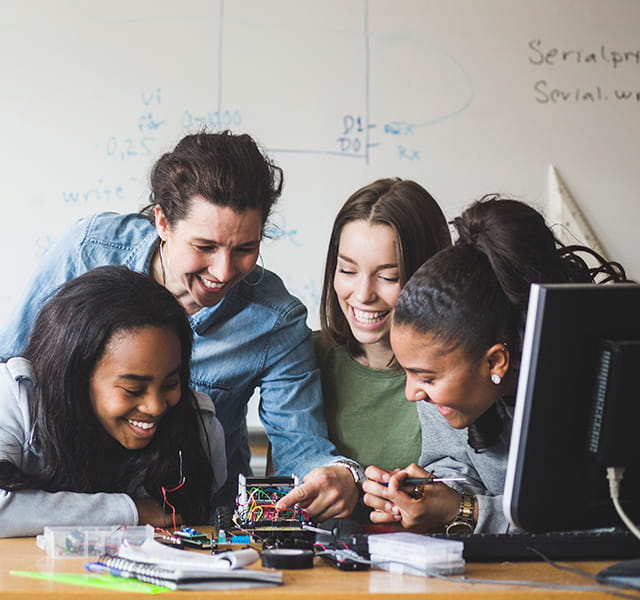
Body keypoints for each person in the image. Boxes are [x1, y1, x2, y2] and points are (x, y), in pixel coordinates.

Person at [0, 130, 359, 515]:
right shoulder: (90, 250)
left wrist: (338, 475)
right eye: (204, 247)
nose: (223, 272)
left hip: (189, 516)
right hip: (57, 508)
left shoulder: (275, 319)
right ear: (163, 222)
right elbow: (12, 370)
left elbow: (300, 447)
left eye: (245, 249)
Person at [361, 195, 628, 534]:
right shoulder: (443, 395)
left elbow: (595, 520)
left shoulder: (598, 389)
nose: (412, 392)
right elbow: (458, 469)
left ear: (496, 361)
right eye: (409, 372)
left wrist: (467, 512)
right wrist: (431, 497)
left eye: (426, 378)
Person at [0, 266, 226, 537]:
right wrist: (132, 511)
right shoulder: (15, 395)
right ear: (73, 378)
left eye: (170, 384)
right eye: (132, 389)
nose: (155, 407)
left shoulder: (199, 429)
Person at [307, 179, 451, 471]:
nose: (362, 295)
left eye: (388, 277)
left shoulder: (456, 371)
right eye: (347, 270)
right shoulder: (306, 357)